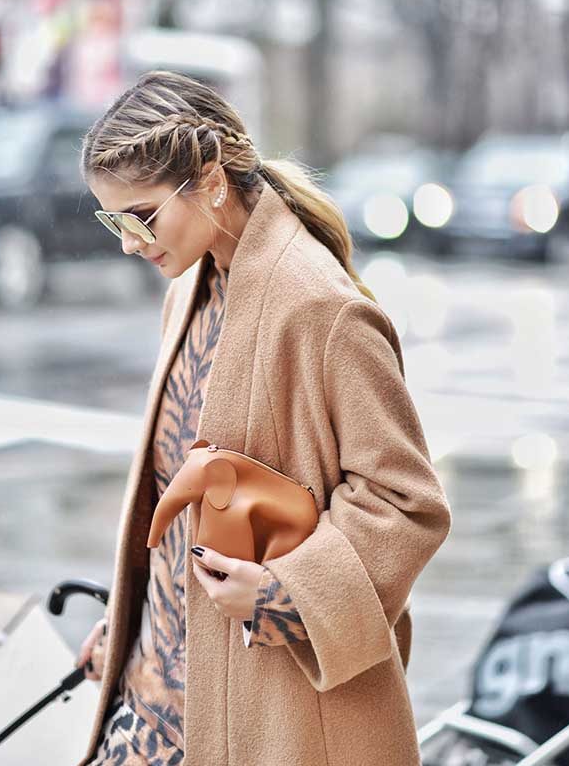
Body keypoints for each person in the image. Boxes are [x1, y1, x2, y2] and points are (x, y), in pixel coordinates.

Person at [75, 70, 451, 766]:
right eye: (112, 219)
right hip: (157, 701)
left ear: (210, 180)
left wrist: (286, 594)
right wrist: (133, 623)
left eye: (143, 216)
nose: (128, 241)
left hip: (268, 709)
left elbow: (406, 503)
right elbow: (178, 494)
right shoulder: (192, 287)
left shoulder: (319, 308)